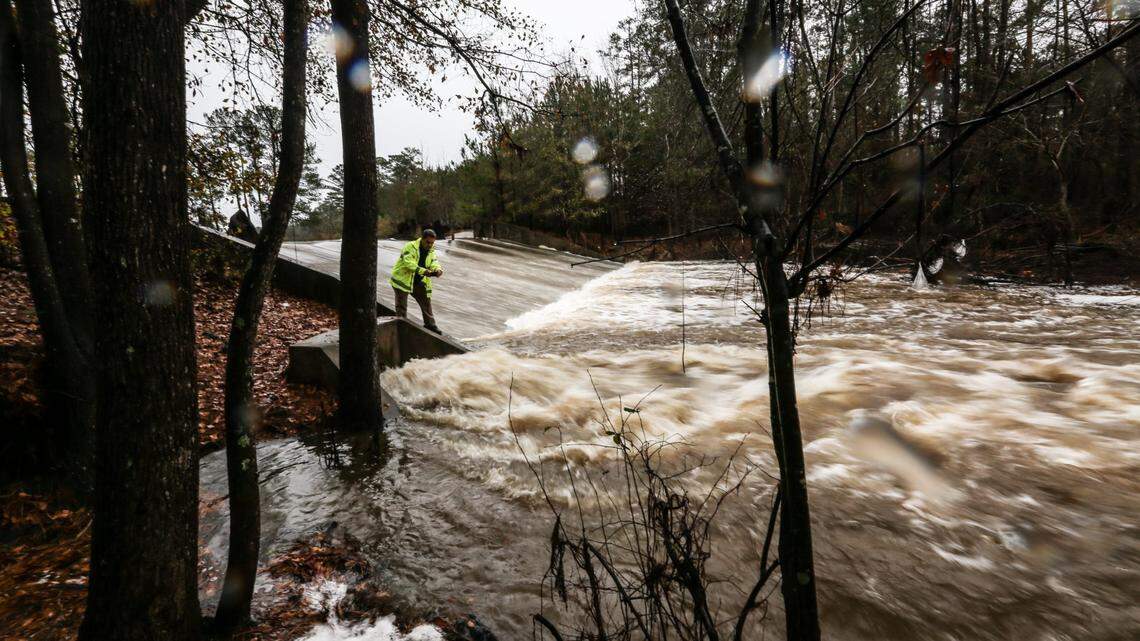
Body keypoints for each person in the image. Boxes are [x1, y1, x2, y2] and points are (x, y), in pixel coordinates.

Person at [390, 228, 443, 333]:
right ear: (422, 239)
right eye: (428, 242)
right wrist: (423, 271)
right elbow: (408, 263)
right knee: (401, 306)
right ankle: (401, 327)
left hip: (417, 280)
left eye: (432, 243)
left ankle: (430, 325)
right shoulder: (410, 246)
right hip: (402, 280)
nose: (430, 245)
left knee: (426, 302)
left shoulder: (431, 250)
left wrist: (438, 269)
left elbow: (434, 262)